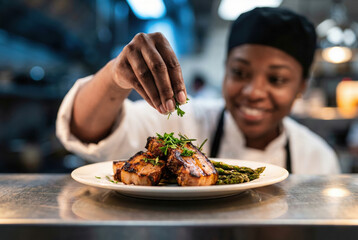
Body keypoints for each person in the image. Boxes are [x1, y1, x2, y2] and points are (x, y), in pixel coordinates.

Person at [56, 7, 341, 174]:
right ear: (225, 69)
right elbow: (87, 132)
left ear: (301, 87)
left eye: (277, 79)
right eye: (240, 73)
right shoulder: (182, 121)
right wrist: (113, 77)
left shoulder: (317, 158)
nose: (254, 91)